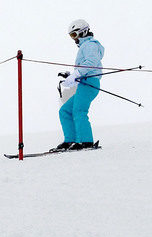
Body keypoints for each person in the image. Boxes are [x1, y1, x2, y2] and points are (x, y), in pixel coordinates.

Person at [51, 19, 104, 152]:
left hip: (90, 83)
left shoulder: (90, 45)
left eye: (74, 35)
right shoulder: (85, 46)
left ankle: (85, 141)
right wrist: (72, 75)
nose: (73, 39)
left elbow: (92, 61)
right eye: (71, 36)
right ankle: (70, 140)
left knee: (79, 111)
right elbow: (85, 65)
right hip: (84, 83)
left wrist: (77, 74)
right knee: (65, 111)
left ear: (83, 32)